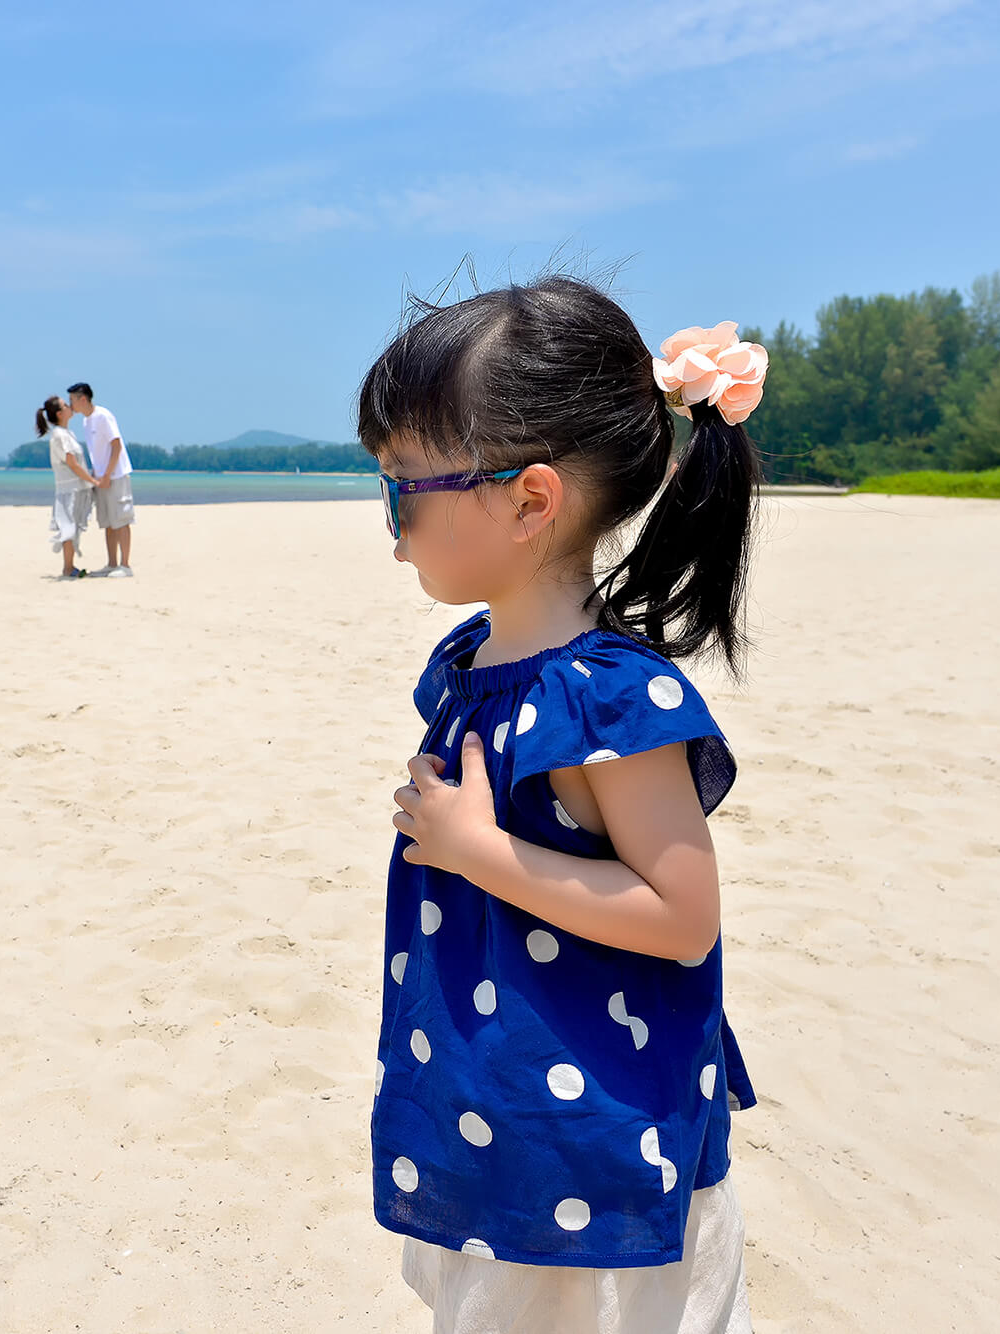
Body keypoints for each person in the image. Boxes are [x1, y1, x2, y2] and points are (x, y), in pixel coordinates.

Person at [361, 277, 763, 1332]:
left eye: (403, 488)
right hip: (488, 1091)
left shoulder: (607, 696)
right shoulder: (472, 659)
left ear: (528, 499)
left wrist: (473, 849)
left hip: (596, 1126)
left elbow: (680, 915)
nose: (392, 523)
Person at [67, 382, 135, 576]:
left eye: (72, 399)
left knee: (121, 518)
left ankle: (126, 565)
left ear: (83, 399)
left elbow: (116, 445)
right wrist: (97, 477)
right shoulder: (86, 421)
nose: (70, 404)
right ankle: (112, 563)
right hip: (100, 477)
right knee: (107, 521)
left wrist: (107, 475)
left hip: (116, 475)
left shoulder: (103, 415)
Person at [37, 395, 97, 579]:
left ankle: (70, 567)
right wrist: (93, 481)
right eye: (65, 405)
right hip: (68, 490)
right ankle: (68, 568)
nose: (70, 406)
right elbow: (72, 462)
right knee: (68, 528)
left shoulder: (68, 434)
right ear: (59, 413)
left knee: (73, 528)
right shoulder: (59, 435)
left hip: (76, 489)